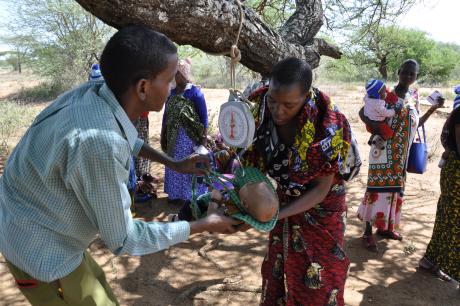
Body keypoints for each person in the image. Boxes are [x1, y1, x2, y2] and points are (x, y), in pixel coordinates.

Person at [0, 25, 239, 306]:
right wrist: (202, 225)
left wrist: (174, 163)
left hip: (43, 226)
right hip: (39, 248)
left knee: (99, 287)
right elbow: (125, 239)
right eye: (169, 80)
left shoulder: (97, 95)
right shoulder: (100, 143)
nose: (174, 86)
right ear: (143, 87)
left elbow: (128, 139)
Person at [241, 57, 352, 305]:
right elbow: (248, 162)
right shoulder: (258, 110)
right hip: (282, 202)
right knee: (276, 272)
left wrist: (273, 216)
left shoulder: (327, 125)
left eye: (288, 105)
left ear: (305, 96)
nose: (278, 111)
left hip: (321, 210)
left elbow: (320, 189)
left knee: (320, 283)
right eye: (273, 100)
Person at [357, 59, 445, 251]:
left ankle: (386, 228)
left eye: (411, 74)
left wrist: (433, 109)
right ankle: (367, 232)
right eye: (405, 72)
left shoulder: (412, 97)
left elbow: (416, 124)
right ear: (399, 72)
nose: (407, 76)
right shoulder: (386, 94)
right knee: (376, 189)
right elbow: (363, 112)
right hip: (383, 151)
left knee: (394, 191)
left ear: (415, 76)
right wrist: (375, 128)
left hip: (401, 155)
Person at [418, 90, 460, 284]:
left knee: (447, 218)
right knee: (451, 220)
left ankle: (431, 261)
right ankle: (445, 266)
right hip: (456, 172)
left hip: (453, 169)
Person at [162, 58, 209, 203]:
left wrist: (203, 142)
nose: (173, 76)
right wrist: (164, 133)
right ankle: (174, 194)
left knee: (190, 166)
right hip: (173, 140)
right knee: (174, 163)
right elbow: (166, 115)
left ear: (182, 74)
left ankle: (190, 197)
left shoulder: (195, 93)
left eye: (176, 73)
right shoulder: (171, 93)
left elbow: (204, 119)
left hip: (190, 140)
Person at [176, 168, 279, 224]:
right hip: (205, 205)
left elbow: (212, 213)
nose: (247, 183)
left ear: (244, 203)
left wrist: (214, 202)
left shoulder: (234, 212)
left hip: (201, 207)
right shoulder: (244, 205)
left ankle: (178, 221)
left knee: (188, 207)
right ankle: (178, 219)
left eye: (249, 185)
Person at [363, 79, 401, 144]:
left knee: (374, 132)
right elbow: (386, 113)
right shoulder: (377, 104)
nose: (386, 93)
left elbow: (382, 92)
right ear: (377, 95)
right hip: (379, 124)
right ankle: (379, 140)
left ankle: (373, 136)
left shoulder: (368, 96)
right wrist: (394, 111)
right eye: (384, 92)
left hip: (368, 123)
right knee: (389, 134)